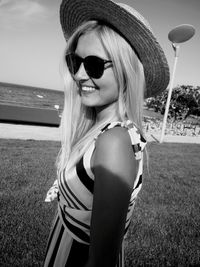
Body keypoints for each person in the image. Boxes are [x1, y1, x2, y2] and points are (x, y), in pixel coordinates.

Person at [44, 0, 169, 266]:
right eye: (74, 62)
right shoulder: (99, 131)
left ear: (125, 70)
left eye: (94, 65)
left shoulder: (114, 141)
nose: (78, 75)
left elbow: (101, 259)